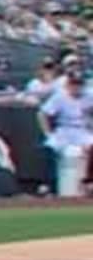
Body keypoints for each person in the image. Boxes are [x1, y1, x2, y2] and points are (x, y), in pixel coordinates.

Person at [39, 68, 91, 197]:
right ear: (68, 84)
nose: (76, 87)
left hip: (82, 130)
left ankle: (89, 182)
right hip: (64, 130)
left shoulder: (89, 96)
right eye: (74, 84)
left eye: (79, 84)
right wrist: (47, 132)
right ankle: (48, 185)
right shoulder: (60, 96)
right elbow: (42, 114)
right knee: (49, 147)